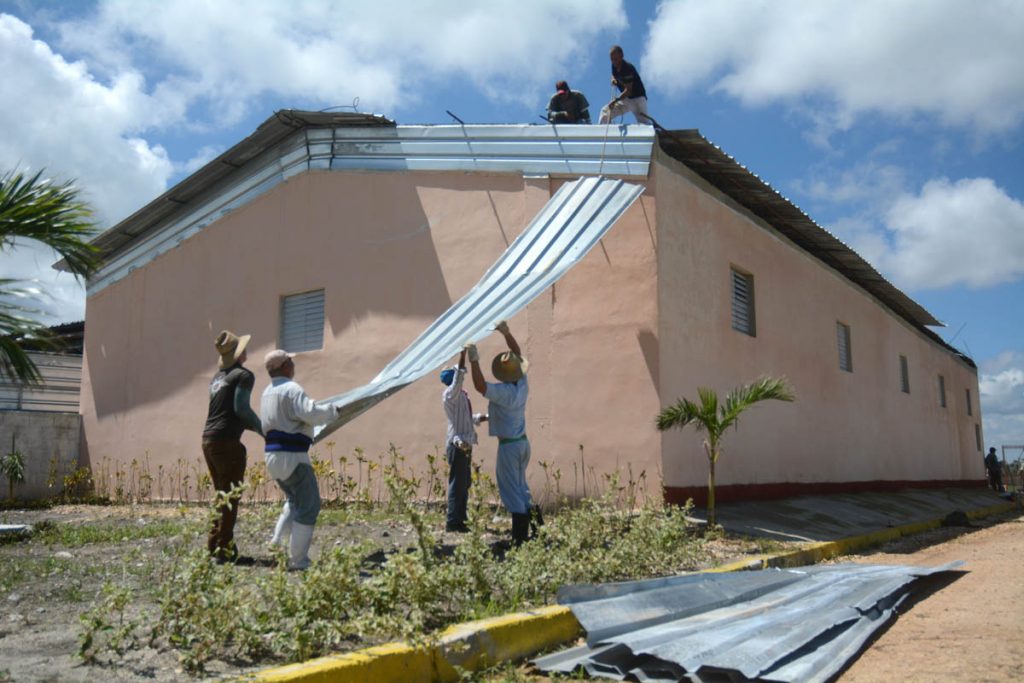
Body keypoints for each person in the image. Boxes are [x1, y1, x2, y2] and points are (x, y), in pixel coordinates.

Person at [260, 349, 339, 570]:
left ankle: (276, 545)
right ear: (285, 366)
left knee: (294, 502)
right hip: (293, 457)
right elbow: (310, 413)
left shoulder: (266, 392)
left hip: (273, 457)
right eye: (291, 362)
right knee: (310, 505)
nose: (293, 365)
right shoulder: (292, 389)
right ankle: (298, 560)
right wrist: (332, 412)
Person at [466, 321, 540, 546]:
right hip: (522, 443)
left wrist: (474, 360)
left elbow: (480, 386)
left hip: (509, 446)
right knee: (521, 487)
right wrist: (506, 333)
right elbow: (517, 354)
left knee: (510, 490)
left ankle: (519, 540)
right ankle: (537, 531)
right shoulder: (522, 385)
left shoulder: (504, 393)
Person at [202, 330, 262, 562]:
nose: (246, 350)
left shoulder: (217, 378)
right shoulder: (243, 375)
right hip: (227, 442)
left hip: (208, 439)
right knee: (230, 496)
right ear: (239, 353)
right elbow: (241, 410)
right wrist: (263, 429)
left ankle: (214, 544)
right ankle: (224, 550)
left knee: (221, 494)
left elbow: (227, 412)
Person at [440, 348, 488, 532]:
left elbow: (468, 418)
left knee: (464, 482)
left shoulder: (460, 397)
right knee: (457, 483)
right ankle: (453, 522)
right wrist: (462, 355)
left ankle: (461, 518)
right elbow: (459, 376)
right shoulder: (451, 394)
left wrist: (485, 417)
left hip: (465, 443)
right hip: (457, 444)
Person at [599, 45, 650, 125]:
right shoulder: (614, 66)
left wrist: (615, 100)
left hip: (638, 99)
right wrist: (613, 79)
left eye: (615, 59)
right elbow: (613, 74)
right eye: (611, 60)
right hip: (626, 100)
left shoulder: (627, 69)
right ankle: (608, 134)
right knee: (605, 112)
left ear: (621, 56)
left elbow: (628, 91)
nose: (614, 62)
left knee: (644, 124)